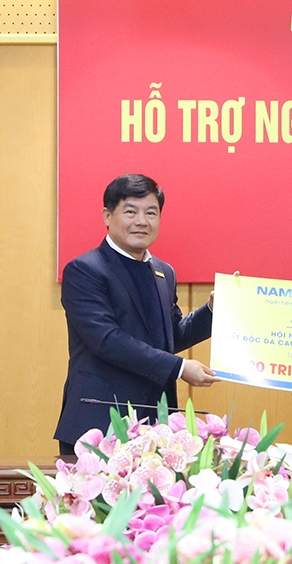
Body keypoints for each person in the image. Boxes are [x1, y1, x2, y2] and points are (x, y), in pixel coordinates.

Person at [54, 174, 217, 451]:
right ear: (107, 216)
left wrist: (212, 311)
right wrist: (179, 368)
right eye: (131, 212)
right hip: (100, 424)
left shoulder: (163, 272)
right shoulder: (85, 270)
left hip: (156, 424)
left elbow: (169, 336)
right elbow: (107, 341)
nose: (142, 221)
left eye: (151, 213)